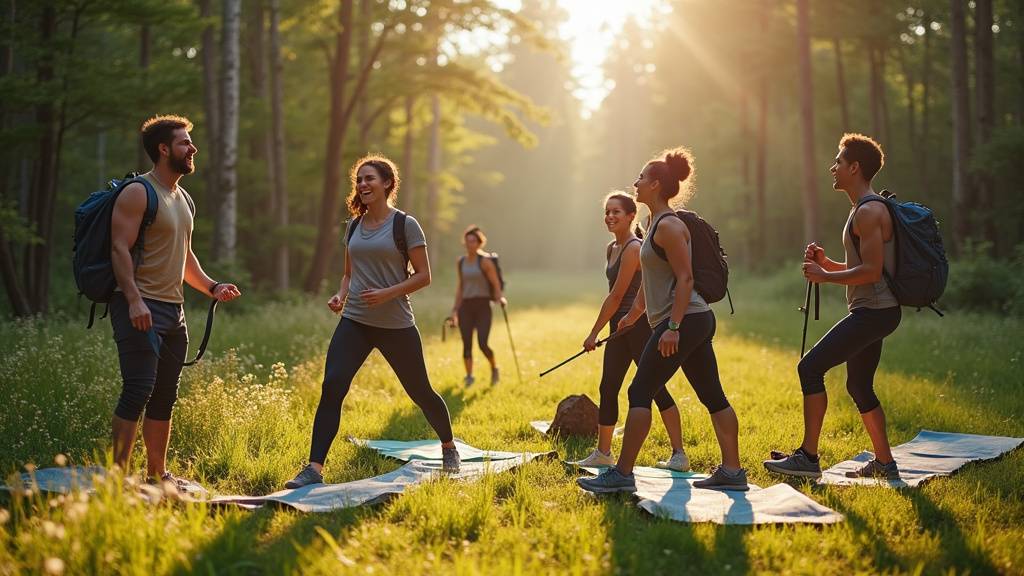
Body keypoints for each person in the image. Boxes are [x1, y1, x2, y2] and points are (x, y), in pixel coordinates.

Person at [577, 147, 747, 494]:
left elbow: (685, 279)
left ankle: (622, 474)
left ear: (655, 185)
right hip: (688, 319)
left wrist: (672, 327)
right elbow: (655, 282)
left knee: (640, 390)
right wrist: (632, 316)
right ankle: (732, 471)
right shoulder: (656, 224)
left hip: (685, 320)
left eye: (641, 178)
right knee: (712, 394)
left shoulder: (669, 225)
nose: (635, 183)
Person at [286, 155, 460, 488]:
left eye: (370, 179)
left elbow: (424, 276)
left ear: (387, 184)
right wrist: (341, 296)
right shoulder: (352, 226)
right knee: (332, 387)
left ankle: (448, 447)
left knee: (420, 391)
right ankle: (314, 469)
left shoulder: (404, 224)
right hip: (355, 322)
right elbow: (349, 275)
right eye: (359, 180)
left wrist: (388, 293)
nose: (363, 185)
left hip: (396, 324)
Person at [109, 115, 241, 490]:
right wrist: (134, 300)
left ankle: (155, 474)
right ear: (164, 149)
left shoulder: (183, 198)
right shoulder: (138, 192)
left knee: (165, 394)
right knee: (138, 389)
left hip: (173, 309)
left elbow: (184, 257)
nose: (192, 148)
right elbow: (118, 248)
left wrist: (212, 286)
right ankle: (118, 480)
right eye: (185, 142)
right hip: (139, 305)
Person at [764, 133, 902, 480]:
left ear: (854, 167)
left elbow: (870, 273)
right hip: (876, 311)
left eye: (838, 162)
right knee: (858, 386)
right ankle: (885, 464)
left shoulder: (869, 211)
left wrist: (824, 277)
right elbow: (869, 266)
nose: (833, 167)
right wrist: (829, 264)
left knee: (809, 368)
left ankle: (808, 458)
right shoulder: (863, 210)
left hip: (874, 312)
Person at [574, 192, 688, 471]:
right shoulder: (612, 248)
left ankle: (679, 454)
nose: (610, 216)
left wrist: (592, 333)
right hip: (619, 328)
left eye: (616, 212)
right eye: (607, 212)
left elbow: (616, 297)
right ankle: (603, 453)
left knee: (654, 388)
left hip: (637, 326)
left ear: (630, 216)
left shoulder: (635, 248)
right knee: (608, 385)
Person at [449, 225, 505, 386]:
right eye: (467, 241)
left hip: (483, 306)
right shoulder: (461, 262)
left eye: (473, 241)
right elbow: (461, 286)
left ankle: (494, 368)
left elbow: (495, 284)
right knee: (466, 343)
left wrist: (500, 298)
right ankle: (469, 376)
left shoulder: (485, 261)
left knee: (482, 343)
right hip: (466, 306)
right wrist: (455, 309)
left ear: (479, 243)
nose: (470, 244)